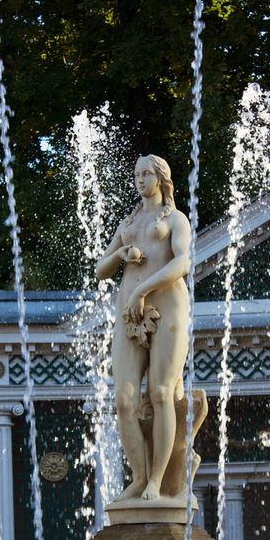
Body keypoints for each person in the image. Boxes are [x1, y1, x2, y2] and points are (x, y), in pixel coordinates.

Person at [96, 155, 192, 501]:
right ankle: (138, 477)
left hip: (168, 307)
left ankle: (159, 481)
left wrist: (141, 289)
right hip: (129, 315)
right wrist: (120, 254)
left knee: (161, 392)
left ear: (160, 177)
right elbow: (100, 270)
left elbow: (183, 261)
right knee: (124, 399)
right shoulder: (127, 223)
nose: (139, 179)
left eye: (146, 173)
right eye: (136, 174)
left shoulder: (176, 219)